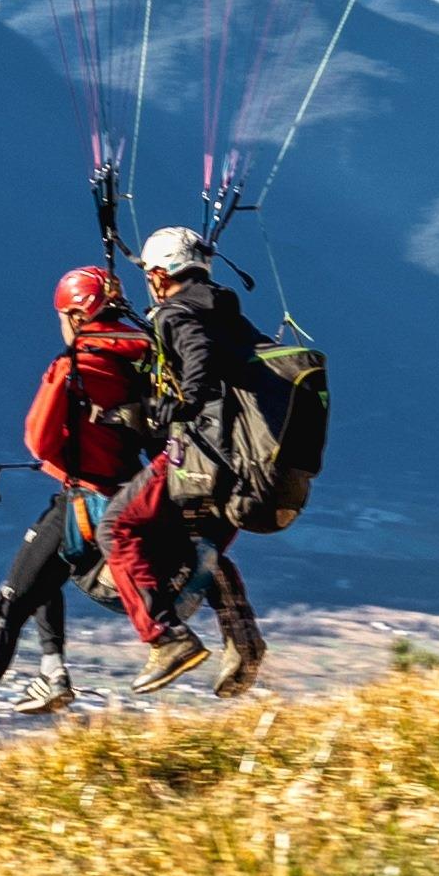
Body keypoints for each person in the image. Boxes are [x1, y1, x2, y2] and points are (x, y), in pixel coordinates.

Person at [0, 265, 164, 734]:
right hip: (129, 492)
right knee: (42, 567)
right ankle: (52, 672)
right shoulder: (141, 353)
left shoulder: (73, 364)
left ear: (77, 315)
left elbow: (38, 438)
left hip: (87, 499)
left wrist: (62, 458)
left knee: (7, 605)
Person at [130, 224, 275, 697]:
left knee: (120, 523)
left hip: (208, 453)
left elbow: (198, 368)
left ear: (158, 273)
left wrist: (173, 406)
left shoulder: (176, 314)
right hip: (242, 455)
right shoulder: (223, 307)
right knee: (202, 541)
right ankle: (243, 636)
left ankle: (166, 637)